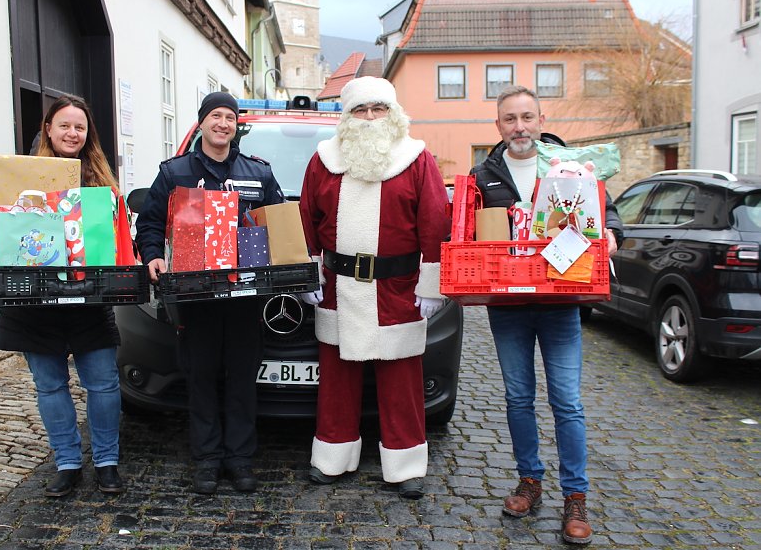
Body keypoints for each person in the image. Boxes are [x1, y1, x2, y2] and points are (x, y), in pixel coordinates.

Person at [470, 85, 623, 544]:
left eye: (527, 117)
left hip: (560, 299)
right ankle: (530, 482)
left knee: (567, 402)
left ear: (540, 120)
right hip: (508, 304)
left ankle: (575, 497)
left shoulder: (568, 166)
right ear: (498, 126)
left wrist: (613, 234)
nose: (519, 127)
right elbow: (465, 225)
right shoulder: (484, 175)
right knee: (518, 398)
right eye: (510, 119)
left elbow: (608, 213)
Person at [0, 94, 125, 497]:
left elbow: (119, 233)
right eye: (64, 125)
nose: (72, 133)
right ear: (48, 129)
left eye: (80, 127)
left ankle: (106, 461)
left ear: (88, 134)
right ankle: (67, 463)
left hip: (88, 297)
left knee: (103, 383)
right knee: (49, 385)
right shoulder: (22, 173)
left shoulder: (101, 179)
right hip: (32, 301)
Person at [298, 76, 450, 499]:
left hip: (397, 287)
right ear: (346, 117)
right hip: (338, 285)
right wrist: (308, 271)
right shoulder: (324, 160)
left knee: (401, 380)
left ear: (393, 112)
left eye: (377, 109)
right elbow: (306, 217)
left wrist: (432, 283)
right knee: (337, 380)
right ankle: (332, 457)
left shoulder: (416, 159)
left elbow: (436, 220)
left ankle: (405, 467)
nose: (369, 118)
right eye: (360, 110)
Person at [135, 92, 284, 495]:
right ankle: (206, 460)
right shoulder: (175, 173)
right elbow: (148, 224)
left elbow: (280, 224)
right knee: (200, 378)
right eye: (215, 116)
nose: (223, 123)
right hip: (195, 296)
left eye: (230, 117)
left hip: (245, 297)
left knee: (241, 380)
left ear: (237, 126)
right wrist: (152, 256)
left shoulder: (260, 174)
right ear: (201, 123)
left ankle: (238, 459)